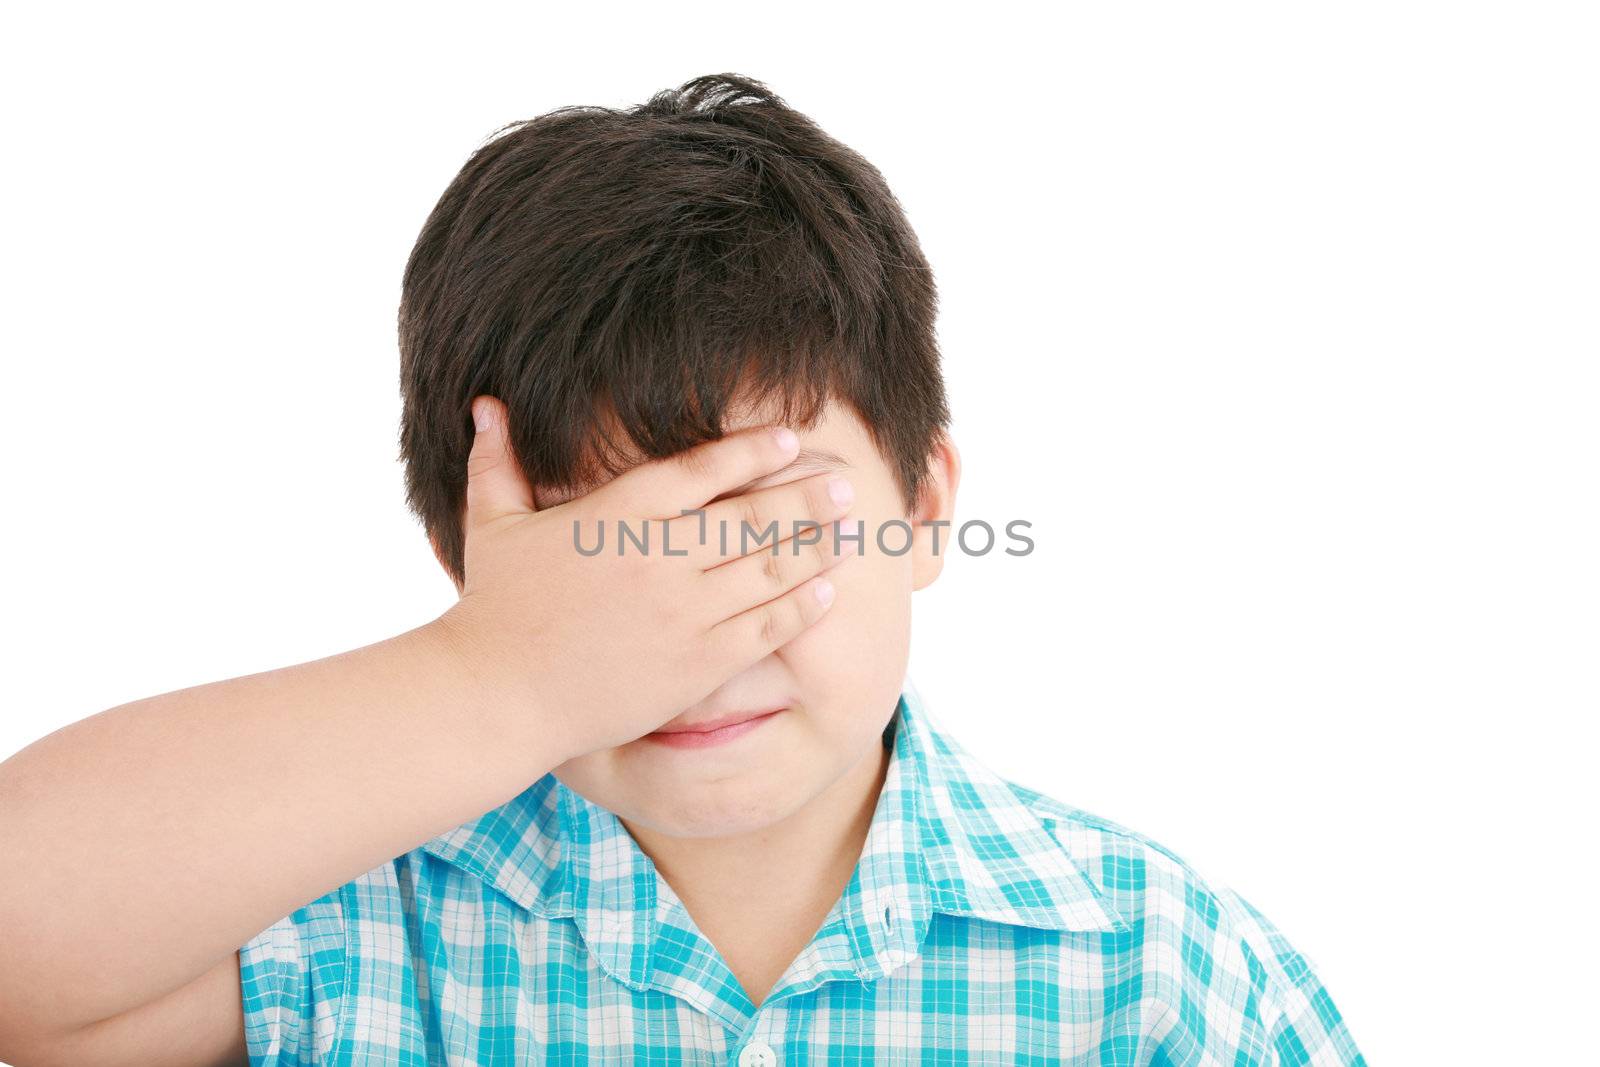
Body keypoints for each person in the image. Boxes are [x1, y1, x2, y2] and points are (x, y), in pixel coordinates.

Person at [0, 73, 1365, 1065]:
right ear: (465, 566)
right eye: (594, 560)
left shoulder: (1155, 974)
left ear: (925, 501)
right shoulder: (354, 931)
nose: (690, 633)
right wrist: (500, 680)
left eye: (763, 517)